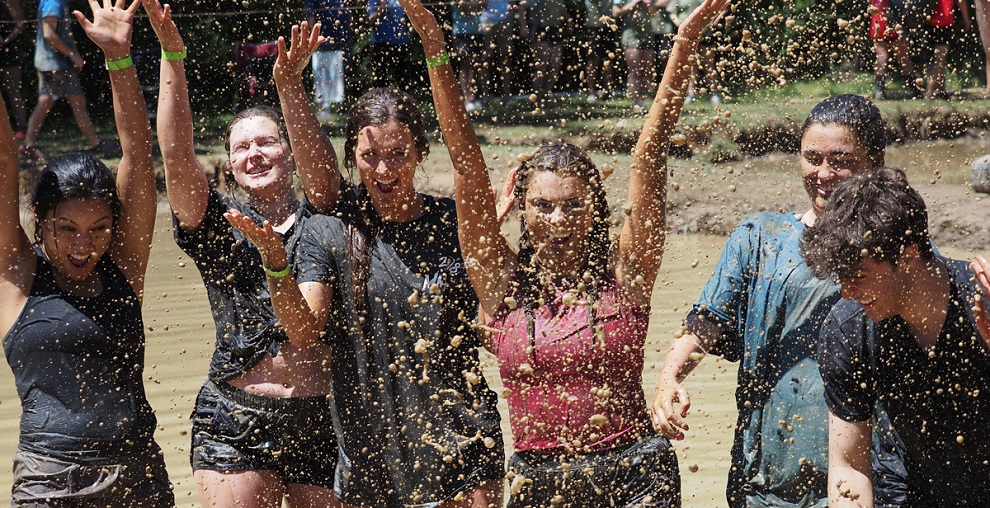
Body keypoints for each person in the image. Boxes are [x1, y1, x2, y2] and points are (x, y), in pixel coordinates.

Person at [399, 0, 728, 504]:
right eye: (543, 206)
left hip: (635, 471)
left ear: (596, 209)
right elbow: (467, 166)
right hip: (537, 480)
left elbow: (649, 154)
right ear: (522, 210)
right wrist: (435, 50)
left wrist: (682, 45)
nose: (558, 221)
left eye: (574, 206)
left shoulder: (627, 273)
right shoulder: (501, 282)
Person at [253, 17, 507, 508]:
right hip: (371, 453)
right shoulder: (332, 228)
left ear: (420, 152)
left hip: (464, 446)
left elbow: (494, 317)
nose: (385, 169)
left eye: (398, 153)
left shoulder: (453, 223)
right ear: (352, 156)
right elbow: (304, 330)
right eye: (370, 156)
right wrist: (275, 264)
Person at [652, 95, 911, 507]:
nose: (824, 173)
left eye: (841, 160)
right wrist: (669, 377)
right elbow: (706, 322)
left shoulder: (898, 246)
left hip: (869, 476)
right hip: (764, 475)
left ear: (875, 161)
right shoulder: (760, 237)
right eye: (812, 158)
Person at [143, 2, 343, 506]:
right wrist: (172, 53)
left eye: (266, 142)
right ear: (230, 167)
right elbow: (175, 153)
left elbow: (324, 171)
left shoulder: (327, 222)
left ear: (290, 151)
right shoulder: (218, 227)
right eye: (241, 149)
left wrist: (289, 84)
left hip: (321, 418)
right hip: (233, 419)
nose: (253, 153)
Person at [0, 0, 173, 505]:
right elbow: (4, 158)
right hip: (51, 481)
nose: (83, 245)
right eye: (66, 228)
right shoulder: (17, 274)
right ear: (38, 217)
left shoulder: (122, 264)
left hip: (140, 474)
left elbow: (137, 153)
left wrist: (119, 59)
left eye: (99, 228)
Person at [800, 167, 990, 506]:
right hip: (905, 492)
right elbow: (848, 466)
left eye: (857, 275)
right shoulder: (847, 329)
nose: (846, 293)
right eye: (840, 278)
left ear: (908, 255)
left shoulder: (983, 302)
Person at [21, 0, 116, 162]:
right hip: (55, 64)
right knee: (74, 101)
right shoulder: (53, 3)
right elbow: (49, 33)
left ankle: (28, 145)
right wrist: (73, 55)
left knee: (47, 102)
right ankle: (95, 144)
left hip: (53, 63)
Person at [613, 0, 662, 111]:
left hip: (647, 35)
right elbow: (616, 12)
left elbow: (654, 14)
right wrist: (634, 3)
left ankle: (645, 99)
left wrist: (648, 4)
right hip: (630, 36)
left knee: (647, 70)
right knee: (635, 70)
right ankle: (637, 102)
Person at [305, 0, 351, 116]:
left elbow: (348, 16)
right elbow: (311, 18)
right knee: (320, 77)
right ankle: (322, 109)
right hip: (322, 42)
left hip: (340, 41)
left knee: (338, 76)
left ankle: (340, 109)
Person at [518, 0, 567, 104]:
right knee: (542, 66)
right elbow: (522, 6)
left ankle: (547, 94)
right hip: (539, 27)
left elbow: (561, 5)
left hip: (555, 27)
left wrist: (568, 20)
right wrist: (523, 25)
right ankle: (537, 97)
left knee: (555, 65)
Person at [870, 0, 920, 100]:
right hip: (893, 21)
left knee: (882, 56)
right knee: (904, 58)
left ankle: (880, 90)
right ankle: (915, 89)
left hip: (878, 22)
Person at [925, 0, 970, 99]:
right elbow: (961, 2)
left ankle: (942, 90)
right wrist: (966, 20)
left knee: (940, 57)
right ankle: (929, 92)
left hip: (930, 21)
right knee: (940, 58)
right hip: (944, 22)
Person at [584, 0, 618, 103]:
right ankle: (591, 92)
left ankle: (608, 91)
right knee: (593, 61)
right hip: (593, 26)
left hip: (608, 27)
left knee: (608, 60)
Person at [0, 0, 26, 138]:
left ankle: (21, 127)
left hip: (9, 52)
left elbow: (20, 24)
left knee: (13, 90)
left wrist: (5, 41)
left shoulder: (8, 1)